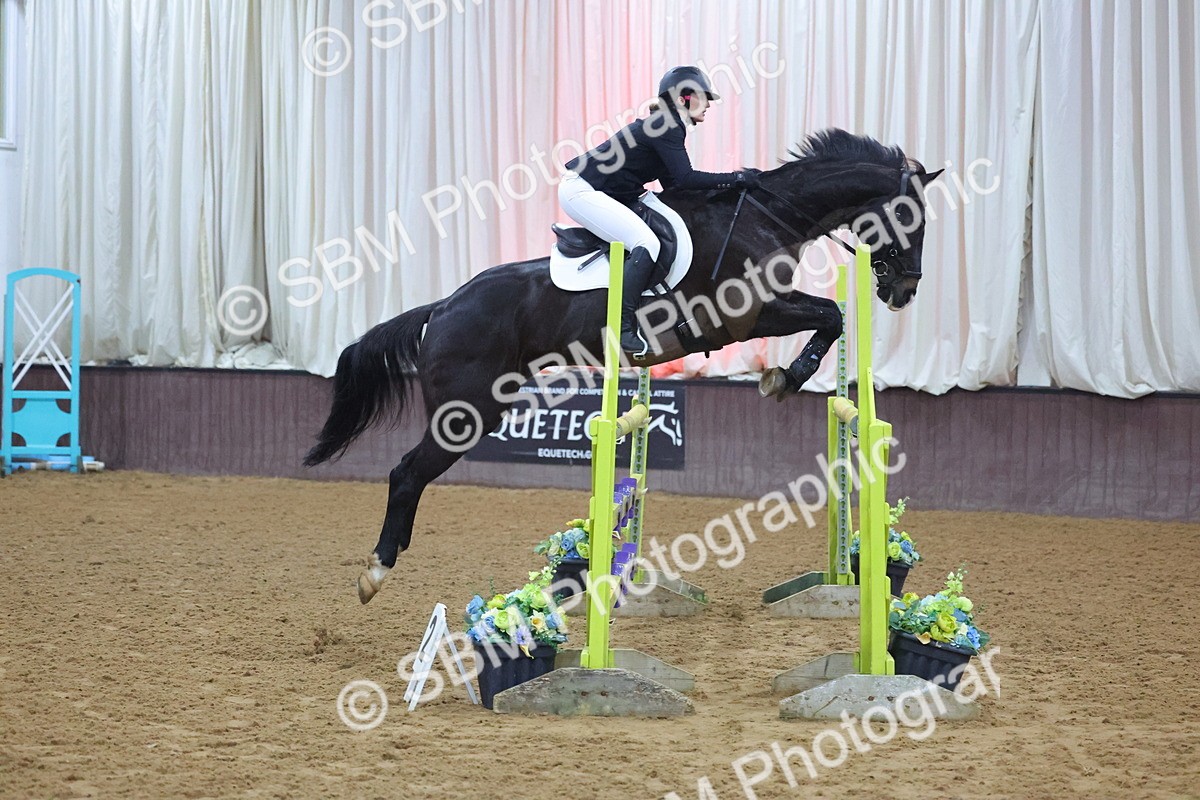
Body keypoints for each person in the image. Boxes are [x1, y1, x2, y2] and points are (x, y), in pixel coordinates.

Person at [559, 66, 761, 356]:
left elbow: (675, 187)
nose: (709, 105)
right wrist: (738, 178)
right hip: (581, 191)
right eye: (705, 99)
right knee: (647, 243)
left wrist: (730, 192)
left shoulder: (667, 126)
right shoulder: (666, 125)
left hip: (606, 192)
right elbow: (685, 179)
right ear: (685, 98)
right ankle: (622, 327)